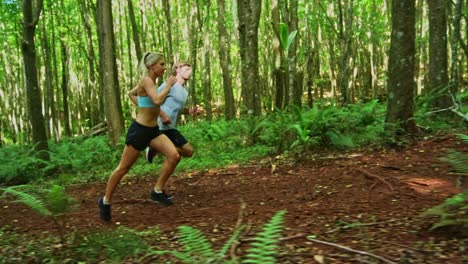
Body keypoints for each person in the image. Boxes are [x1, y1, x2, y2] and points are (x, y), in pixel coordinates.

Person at [98, 52, 180, 222]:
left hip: (153, 131)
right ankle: (105, 201)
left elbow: (132, 94)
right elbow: (157, 100)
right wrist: (169, 86)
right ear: (152, 66)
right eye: (162, 64)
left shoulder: (152, 82)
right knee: (123, 169)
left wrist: (150, 108)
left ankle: (157, 191)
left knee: (174, 155)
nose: (164, 67)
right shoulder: (146, 80)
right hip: (140, 131)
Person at [130, 62, 194, 162]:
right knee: (184, 152)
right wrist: (163, 115)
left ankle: (155, 149)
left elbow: (177, 108)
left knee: (187, 152)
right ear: (177, 70)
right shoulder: (169, 85)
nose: (189, 72)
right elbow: (153, 101)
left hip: (171, 127)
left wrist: (190, 111)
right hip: (161, 126)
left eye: (190, 70)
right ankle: (155, 148)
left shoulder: (185, 90)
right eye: (186, 69)